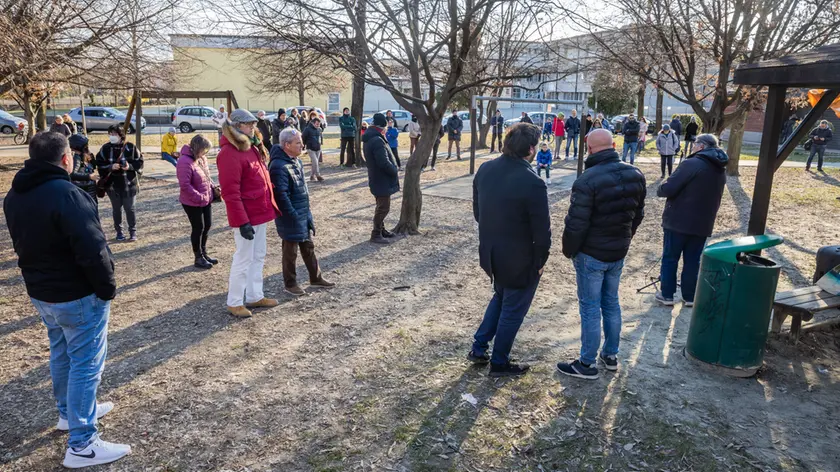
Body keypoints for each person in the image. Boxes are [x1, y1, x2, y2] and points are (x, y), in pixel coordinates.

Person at [4, 132, 130, 468]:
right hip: (76, 295)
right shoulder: (68, 195)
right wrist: (107, 288)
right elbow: (93, 249)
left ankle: (68, 413)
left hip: (43, 293)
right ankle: (82, 444)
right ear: (65, 158)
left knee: (62, 352)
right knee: (85, 364)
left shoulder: (15, 194)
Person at [557, 129, 646, 379]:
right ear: (614, 145)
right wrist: (626, 237)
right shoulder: (635, 174)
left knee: (590, 307)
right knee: (611, 302)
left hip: (592, 253)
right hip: (617, 249)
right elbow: (638, 214)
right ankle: (610, 354)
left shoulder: (587, 180)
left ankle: (587, 363)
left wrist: (569, 250)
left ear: (589, 149)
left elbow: (576, 224)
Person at [468, 122, 549, 378]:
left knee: (501, 297)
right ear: (532, 149)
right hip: (520, 259)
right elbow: (542, 232)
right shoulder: (533, 182)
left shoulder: (486, 169)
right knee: (512, 310)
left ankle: (479, 347)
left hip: (492, 252)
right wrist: (540, 261)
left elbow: (478, 212)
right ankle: (499, 362)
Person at [217, 108, 281, 318]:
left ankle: (254, 295)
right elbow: (230, 192)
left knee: (258, 255)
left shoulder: (251, 147)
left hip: (259, 211)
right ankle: (234, 301)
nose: (253, 127)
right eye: (249, 124)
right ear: (236, 127)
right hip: (247, 215)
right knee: (244, 257)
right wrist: (241, 221)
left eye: (254, 123)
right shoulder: (229, 153)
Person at [655, 134, 728, 306]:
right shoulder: (720, 168)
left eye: (695, 143)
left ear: (701, 146)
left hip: (679, 220)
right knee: (693, 260)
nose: (693, 146)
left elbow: (668, 188)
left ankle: (667, 294)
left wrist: (661, 187)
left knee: (670, 258)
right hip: (703, 222)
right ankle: (689, 296)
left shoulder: (692, 163)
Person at [269, 127, 335, 296]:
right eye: (298, 143)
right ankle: (290, 284)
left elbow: (302, 189)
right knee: (290, 252)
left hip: (303, 213)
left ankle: (316, 277)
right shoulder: (278, 166)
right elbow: (281, 195)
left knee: (308, 247)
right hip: (290, 217)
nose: (302, 145)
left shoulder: (296, 161)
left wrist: (306, 213)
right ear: (287, 145)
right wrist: (293, 215)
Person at [96, 124, 143, 242]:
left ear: (121, 135)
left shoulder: (130, 147)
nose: (112, 136)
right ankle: (119, 232)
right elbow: (99, 163)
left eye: (115, 134)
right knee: (116, 209)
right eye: (110, 134)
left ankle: (133, 231)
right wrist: (110, 167)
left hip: (128, 184)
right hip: (112, 185)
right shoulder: (105, 148)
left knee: (130, 209)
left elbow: (140, 162)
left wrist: (129, 166)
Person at [177, 135, 218, 270]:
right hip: (192, 201)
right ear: (197, 148)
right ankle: (198, 257)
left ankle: (204, 253)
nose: (205, 152)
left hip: (206, 198)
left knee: (207, 225)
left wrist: (212, 189)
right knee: (198, 227)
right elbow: (185, 185)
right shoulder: (184, 161)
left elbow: (206, 177)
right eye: (204, 149)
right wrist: (199, 197)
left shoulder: (201, 158)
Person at [362, 113, 400, 244]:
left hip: (376, 178)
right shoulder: (377, 140)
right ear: (382, 127)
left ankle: (381, 230)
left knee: (380, 206)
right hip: (382, 179)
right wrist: (394, 170)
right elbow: (383, 162)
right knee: (383, 208)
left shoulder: (370, 137)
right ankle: (376, 234)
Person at [68, 133, 99, 203]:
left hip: (91, 189)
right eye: (85, 145)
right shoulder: (77, 158)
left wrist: (91, 155)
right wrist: (89, 176)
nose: (87, 146)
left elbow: (94, 166)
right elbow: (73, 174)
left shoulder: (85, 155)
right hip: (84, 189)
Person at [301, 116, 325, 181]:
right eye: (317, 124)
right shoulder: (307, 129)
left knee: (315, 163)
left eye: (319, 124)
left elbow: (321, 137)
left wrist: (321, 143)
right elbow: (303, 137)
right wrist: (303, 146)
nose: (318, 125)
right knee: (315, 162)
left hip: (318, 148)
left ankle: (312, 176)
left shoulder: (319, 129)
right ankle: (318, 175)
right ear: (313, 123)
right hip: (310, 148)